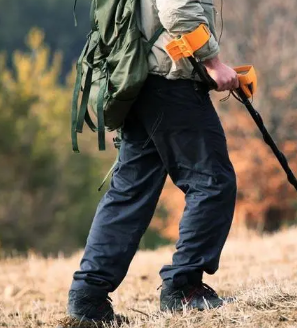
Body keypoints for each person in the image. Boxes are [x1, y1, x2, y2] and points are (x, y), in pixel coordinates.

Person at [59, 0, 239, 326]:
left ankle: (88, 298)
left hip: (141, 82)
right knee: (212, 181)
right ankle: (183, 288)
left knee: (129, 193)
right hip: (168, 81)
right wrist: (213, 62)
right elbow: (178, 10)